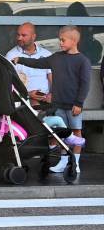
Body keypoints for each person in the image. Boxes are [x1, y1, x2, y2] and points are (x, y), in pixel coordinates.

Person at [13, 25, 91, 174]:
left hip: (74, 105)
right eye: (59, 40)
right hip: (58, 104)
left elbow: (85, 84)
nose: (60, 43)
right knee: (61, 132)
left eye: (63, 40)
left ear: (74, 41)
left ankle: (76, 162)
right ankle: (63, 161)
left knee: (76, 132)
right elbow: (39, 63)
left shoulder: (83, 61)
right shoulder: (56, 57)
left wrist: (79, 103)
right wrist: (20, 60)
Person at [5, 23, 53, 110]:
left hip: (45, 100)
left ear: (33, 37)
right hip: (23, 101)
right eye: (18, 35)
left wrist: (52, 94)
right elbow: (8, 84)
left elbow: (53, 79)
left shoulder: (46, 54)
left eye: (23, 35)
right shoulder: (11, 55)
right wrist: (28, 94)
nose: (19, 38)